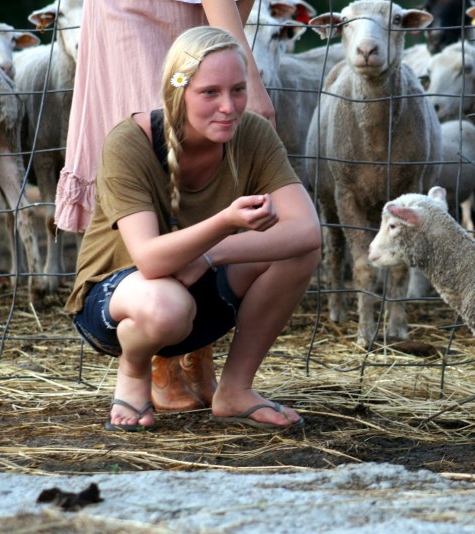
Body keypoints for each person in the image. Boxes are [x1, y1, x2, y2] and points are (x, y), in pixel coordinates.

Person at [65, 26, 321, 431]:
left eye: (238, 90)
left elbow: (308, 232)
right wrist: (225, 223)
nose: (229, 107)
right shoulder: (129, 143)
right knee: (166, 305)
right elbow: (148, 260)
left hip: (198, 288)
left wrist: (212, 254)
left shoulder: (252, 133)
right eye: (209, 93)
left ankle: (235, 390)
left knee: (296, 252)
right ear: (177, 91)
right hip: (121, 301)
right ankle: (134, 370)